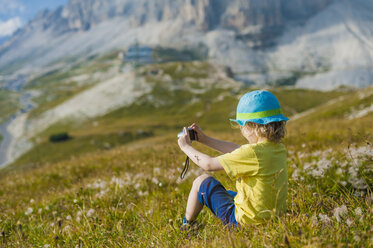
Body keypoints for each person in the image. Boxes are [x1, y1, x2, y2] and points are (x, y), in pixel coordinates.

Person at [177, 90, 289, 229]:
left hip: (244, 223)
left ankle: (187, 225)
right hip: (273, 217)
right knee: (229, 194)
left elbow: (208, 164)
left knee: (202, 182)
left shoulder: (252, 153)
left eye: (241, 126)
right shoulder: (277, 148)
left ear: (252, 127)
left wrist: (186, 147)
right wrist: (205, 140)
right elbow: (238, 150)